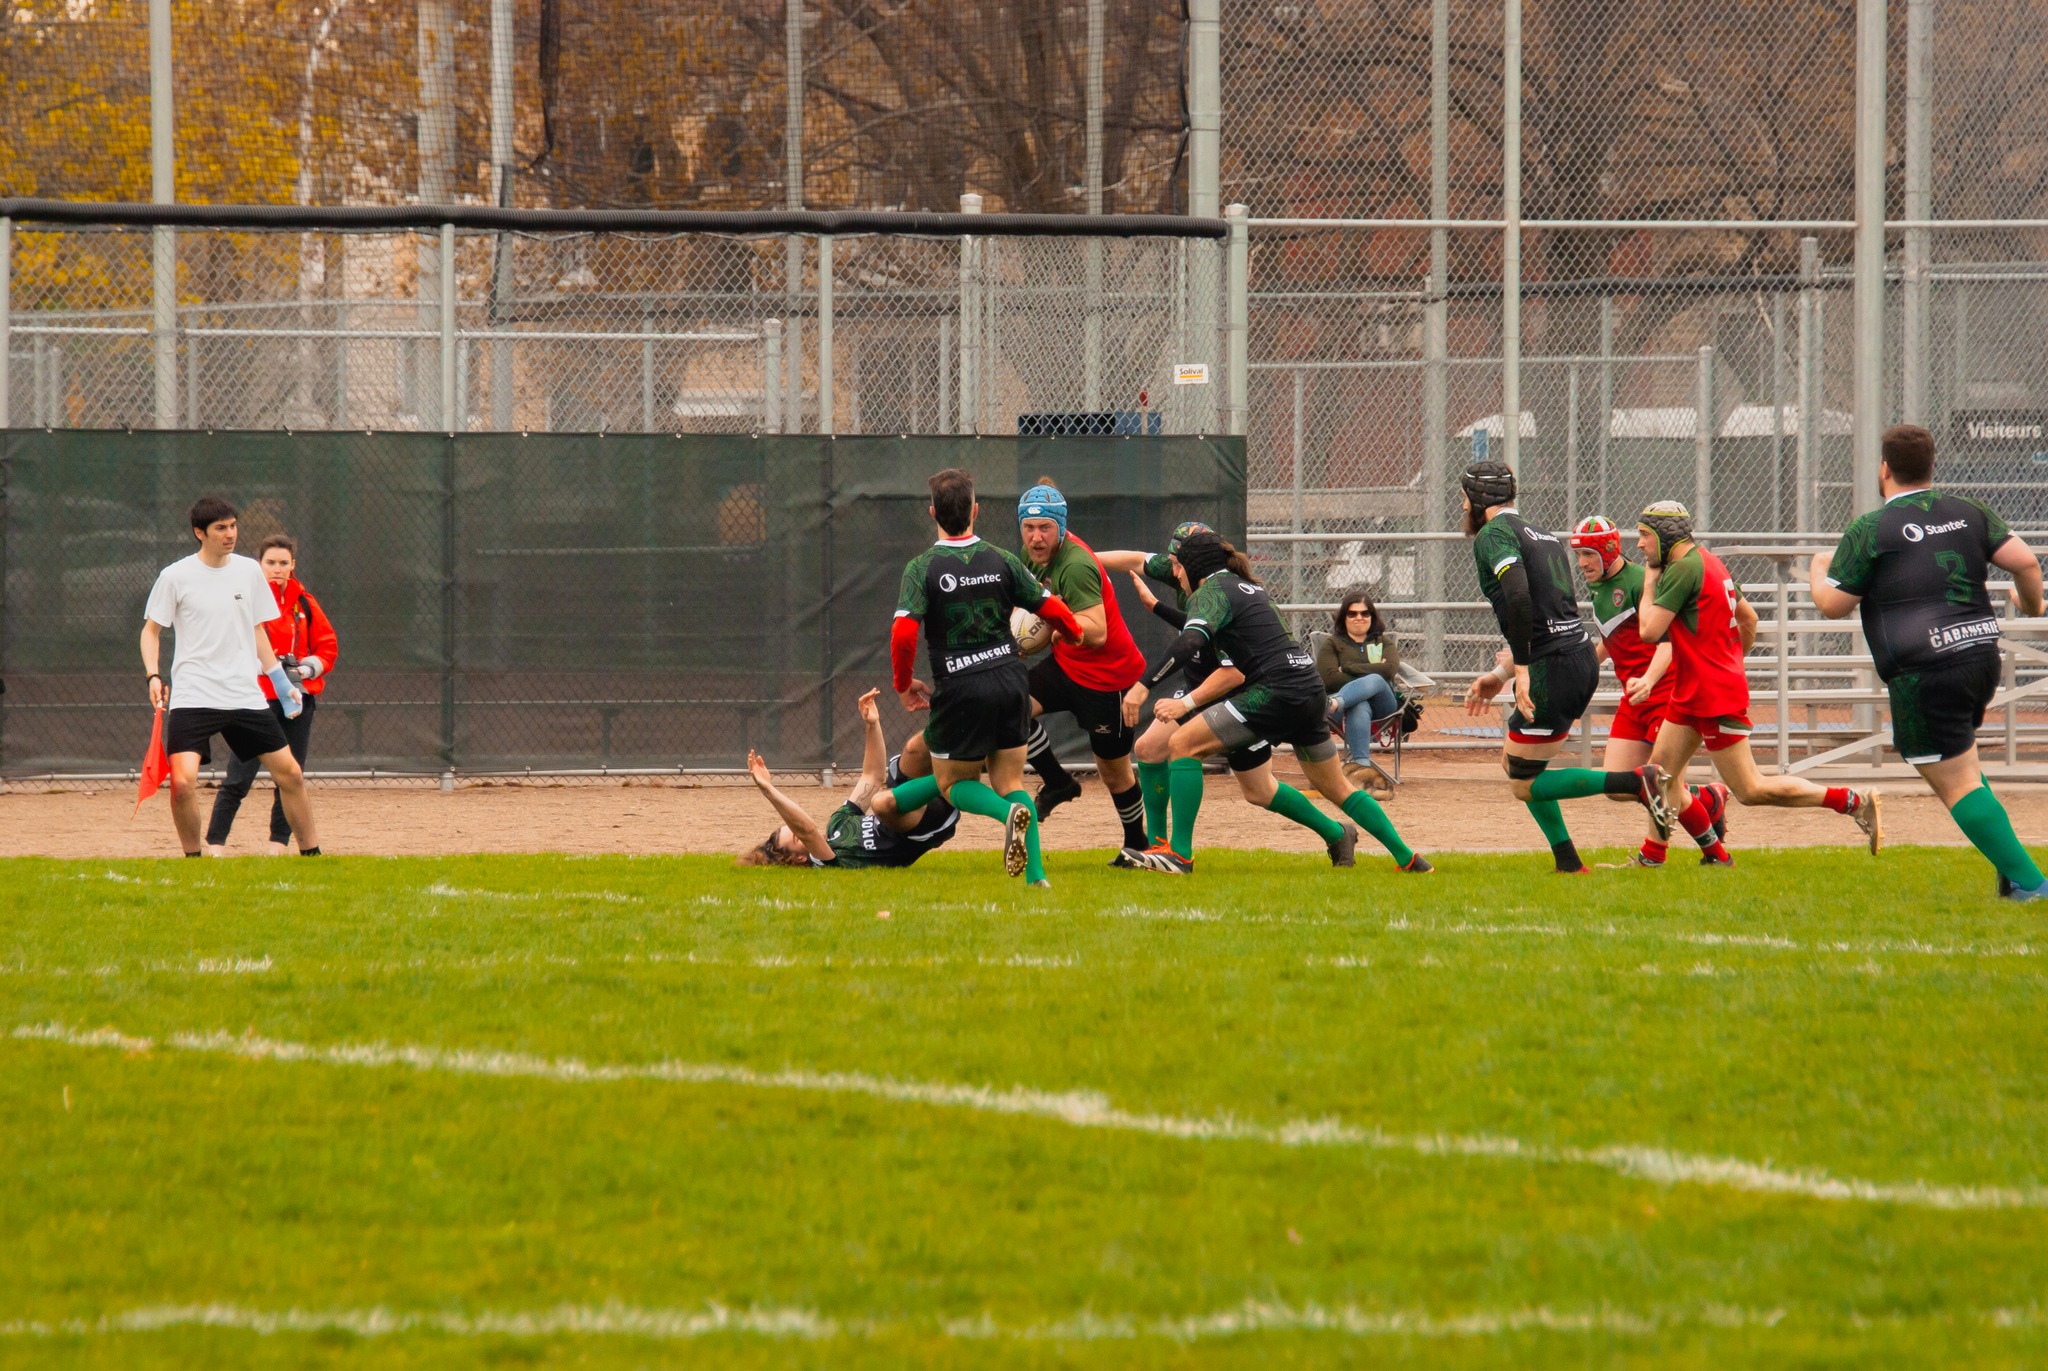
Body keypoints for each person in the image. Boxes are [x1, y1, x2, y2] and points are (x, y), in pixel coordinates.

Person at [1809, 423, 2047, 900]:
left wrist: (1819, 570)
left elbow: (1834, 605)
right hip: (1981, 655)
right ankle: (2009, 871)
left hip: (1925, 670)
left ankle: (2032, 883)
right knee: (1964, 763)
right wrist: (2033, 606)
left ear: (1884, 470)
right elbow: (2025, 563)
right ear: (1931, 466)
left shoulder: (1871, 528)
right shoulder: (1968, 511)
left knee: (1955, 783)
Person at [1118, 531, 1428, 875]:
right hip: (1308, 691)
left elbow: (1192, 640)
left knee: (1181, 744)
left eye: (1177, 567)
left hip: (1273, 693)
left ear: (1194, 566)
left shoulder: (1212, 590)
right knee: (1333, 786)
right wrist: (1159, 608)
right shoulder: (1246, 587)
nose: (1174, 574)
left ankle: (1179, 855)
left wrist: (1143, 686)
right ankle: (1409, 859)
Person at [1635, 499, 1881, 866]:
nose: (1639, 545)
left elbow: (1648, 630)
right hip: (1697, 689)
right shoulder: (1710, 562)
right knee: (1660, 775)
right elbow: (1747, 618)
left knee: (1750, 789)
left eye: (1644, 535)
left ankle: (1853, 801)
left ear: (1664, 534)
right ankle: (1655, 857)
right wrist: (1730, 660)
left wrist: (1650, 582)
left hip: (1712, 695)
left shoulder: (1681, 570)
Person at [1458, 462, 1672, 873]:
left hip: (1551, 667)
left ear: (1481, 500)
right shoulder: (1543, 535)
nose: (1463, 505)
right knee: (1516, 765)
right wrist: (1499, 676)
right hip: (1574, 659)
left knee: (1523, 781)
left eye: (1465, 496)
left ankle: (1636, 782)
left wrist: (1520, 670)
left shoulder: (1493, 535)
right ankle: (1568, 861)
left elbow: (1519, 597)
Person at [887, 467, 1084, 887]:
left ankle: (1004, 813)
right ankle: (1037, 878)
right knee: (1010, 779)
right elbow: (1050, 607)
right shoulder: (1003, 559)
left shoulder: (921, 567)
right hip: (1012, 680)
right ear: (976, 510)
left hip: (961, 686)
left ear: (932, 512)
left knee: (951, 781)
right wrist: (1075, 632)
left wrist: (903, 684)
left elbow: (904, 632)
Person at [140, 496, 321, 858]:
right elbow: (151, 632)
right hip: (194, 695)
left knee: (292, 775)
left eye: (233, 526)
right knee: (182, 783)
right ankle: (194, 858)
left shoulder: (248, 571)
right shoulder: (175, 576)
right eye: (220, 528)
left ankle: (312, 854)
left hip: (244, 696)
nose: (230, 534)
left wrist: (282, 684)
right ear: (199, 533)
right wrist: (153, 676)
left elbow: (257, 632)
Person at [1567, 515, 1728, 854]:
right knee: (1618, 783)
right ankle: (1706, 798)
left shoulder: (1641, 581)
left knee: (1663, 785)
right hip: (1636, 696)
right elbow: (1613, 641)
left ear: (1610, 550)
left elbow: (1669, 643)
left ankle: (1713, 854)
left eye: (1589, 555)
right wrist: (1576, 670)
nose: (1582, 563)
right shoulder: (1599, 589)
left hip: (1666, 692)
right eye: (1579, 555)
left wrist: (1650, 680)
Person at [1012, 480, 1152, 856]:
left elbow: (1097, 632)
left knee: (1114, 770)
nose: (1036, 537)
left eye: (1045, 528)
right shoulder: (1031, 556)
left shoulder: (1075, 565)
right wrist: (1018, 638)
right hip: (1067, 667)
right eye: (1029, 528)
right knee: (1011, 705)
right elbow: (1023, 604)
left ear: (1061, 526)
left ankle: (1136, 845)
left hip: (1110, 679)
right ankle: (1058, 782)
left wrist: (1056, 628)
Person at [204, 533, 338, 855]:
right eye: (270, 562)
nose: (277, 569)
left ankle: (278, 844)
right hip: (253, 701)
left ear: (293, 565)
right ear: (259, 564)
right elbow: (226, 643)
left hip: (295, 701)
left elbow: (328, 646)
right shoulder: (243, 599)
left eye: (283, 563)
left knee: (290, 778)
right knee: (239, 777)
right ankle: (215, 844)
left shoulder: (304, 602)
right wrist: (264, 667)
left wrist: (305, 670)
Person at [740, 688, 960, 868]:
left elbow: (872, 778)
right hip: (920, 829)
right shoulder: (829, 862)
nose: (807, 831)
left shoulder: (838, 824)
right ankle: (955, 775)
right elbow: (806, 830)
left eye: (795, 831)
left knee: (914, 748)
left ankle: (974, 727)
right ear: (799, 858)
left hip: (910, 803)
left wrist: (871, 725)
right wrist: (768, 790)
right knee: (881, 803)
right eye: (797, 838)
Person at [1316, 590, 1401, 792]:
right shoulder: (1332, 644)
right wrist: (1373, 671)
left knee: (1376, 680)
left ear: (1372, 616)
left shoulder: (1383, 642)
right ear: (1343, 617)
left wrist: (1347, 667)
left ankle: (1337, 702)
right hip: (1344, 711)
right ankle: (1362, 766)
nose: (1359, 618)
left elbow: (1388, 670)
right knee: (1359, 702)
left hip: (1383, 707)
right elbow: (1329, 678)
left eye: (1364, 613)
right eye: (1352, 614)